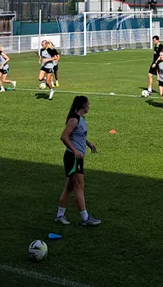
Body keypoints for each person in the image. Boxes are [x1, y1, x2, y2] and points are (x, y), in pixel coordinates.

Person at [55, 96, 101, 227]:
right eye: (88, 104)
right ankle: (86, 218)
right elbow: (64, 137)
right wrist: (74, 150)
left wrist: (88, 143)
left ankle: (60, 215)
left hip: (77, 157)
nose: (89, 106)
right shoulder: (74, 120)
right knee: (79, 187)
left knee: (70, 187)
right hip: (73, 158)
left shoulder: (81, 119)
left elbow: (78, 135)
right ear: (83, 106)